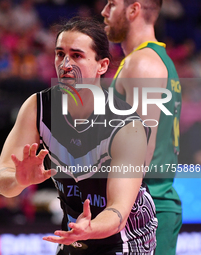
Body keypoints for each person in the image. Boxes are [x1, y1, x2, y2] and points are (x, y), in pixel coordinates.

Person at [0, 17, 157, 254]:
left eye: (77, 55)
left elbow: (118, 212)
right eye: (60, 54)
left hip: (126, 239)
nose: (65, 64)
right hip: (75, 234)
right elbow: (0, 181)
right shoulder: (38, 107)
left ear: (102, 65)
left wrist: (89, 228)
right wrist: (19, 180)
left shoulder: (126, 125)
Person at [101, 1, 182, 254]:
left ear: (133, 10)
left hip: (144, 211)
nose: (104, 11)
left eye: (112, 4)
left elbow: (141, 153)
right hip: (144, 207)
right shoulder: (153, 59)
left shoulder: (142, 64)